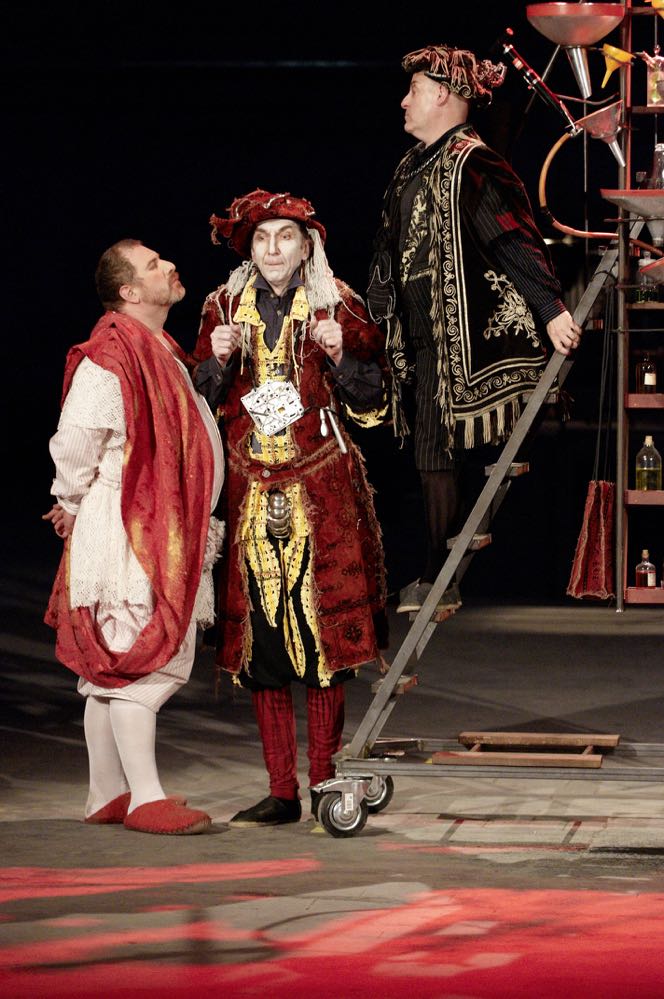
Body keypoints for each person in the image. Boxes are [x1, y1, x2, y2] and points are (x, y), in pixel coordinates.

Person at [193, 189, 388, 826]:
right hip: (250, 490)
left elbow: (373, 403)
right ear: (249, 248)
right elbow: (198, 401)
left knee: (323, 639)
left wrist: (341, 355)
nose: (273, 249)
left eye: (285, 237)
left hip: (321, 489)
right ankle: (282, 791)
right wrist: (216, 361)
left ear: (307, 246)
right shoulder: (223, 307)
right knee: (263, 646)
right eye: (261, 238)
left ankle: (328, 783)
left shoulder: (339, 304)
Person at [367, 43, 582, 614]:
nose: (404, 101)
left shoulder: (473, 162)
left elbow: (511, 237)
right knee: (430, 459)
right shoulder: (409, 167)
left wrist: (550, 308)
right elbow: (388, 250)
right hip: (423, 339)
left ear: (442, 95)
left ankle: (438, 573)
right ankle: (435, 572)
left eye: (414, 91)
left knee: (446, 452)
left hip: (468, 336)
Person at [44, 239, 224, 835]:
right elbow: (76, 440)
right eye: (153, 266)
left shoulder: (157, 346)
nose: (168, 266)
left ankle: (106, 792)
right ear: (128, 291)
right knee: (139, 659)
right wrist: (70, 502)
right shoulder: (111, 354)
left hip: (152, 521)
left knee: (107, 674)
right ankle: (147, 798)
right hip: (132, 527)